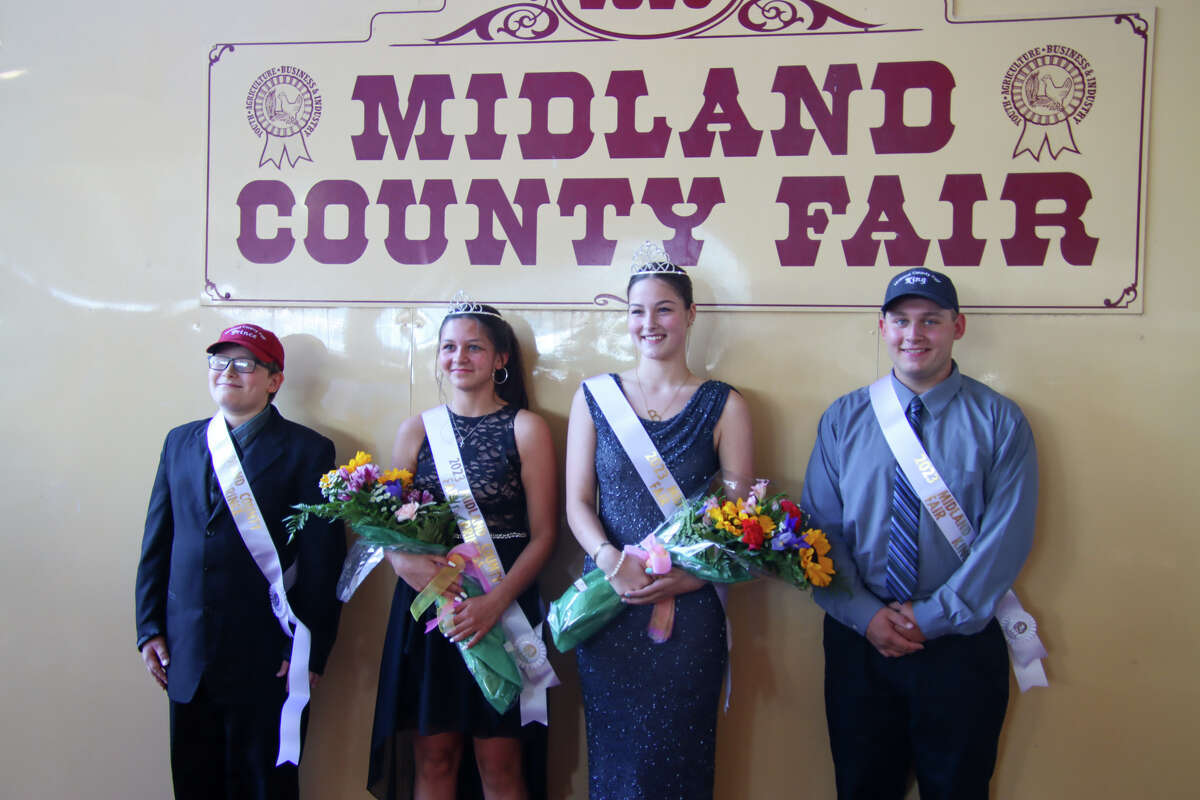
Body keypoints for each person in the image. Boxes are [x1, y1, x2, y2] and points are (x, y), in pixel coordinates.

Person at [802, 268, 1040, 800]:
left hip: (960, 643)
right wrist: (866, 616)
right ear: (882, 327)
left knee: (958, 788)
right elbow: (821, 533)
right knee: (862, 787)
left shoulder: (1000, 420)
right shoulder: (843, 418)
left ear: (957, 326)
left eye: (930, 320)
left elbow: (1006, 539)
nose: (915, 334)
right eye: (902, 320)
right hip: (859, 641)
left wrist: (931, 618)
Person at [564, 245, 754, 800]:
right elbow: (577, 501)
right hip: (609, 603)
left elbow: (742, 522)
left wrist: (694, 578)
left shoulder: (726, 405)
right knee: (615, 761)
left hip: (690, 612)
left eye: (665, 309)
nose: (650, 323)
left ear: (691, 315)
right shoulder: (595, 397)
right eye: (637, 311)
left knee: (680, 762)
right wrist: (609, 559)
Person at [135, 323, 345, 800]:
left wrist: (311, 648)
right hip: (186, 654)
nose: (228, 371)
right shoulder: (179, 442)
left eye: (245, 363)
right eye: (220, 361)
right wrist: (149, 626)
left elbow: (322, 561)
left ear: (274, 381)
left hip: (268, 655)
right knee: (194, 782)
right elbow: (158, 542)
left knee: (264, 785)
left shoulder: (309, 451)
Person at [368, 298, 557, 800]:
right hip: (435, 613)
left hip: (503, 605)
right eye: (449, 346)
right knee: (434, 757)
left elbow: (544, 536)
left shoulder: (526, 428)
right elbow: (386, 530)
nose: (459, 357)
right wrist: (401, 560)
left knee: (500, 761)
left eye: (475, 347)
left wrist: (494, 604)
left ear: (500, 359)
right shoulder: (415, 430)